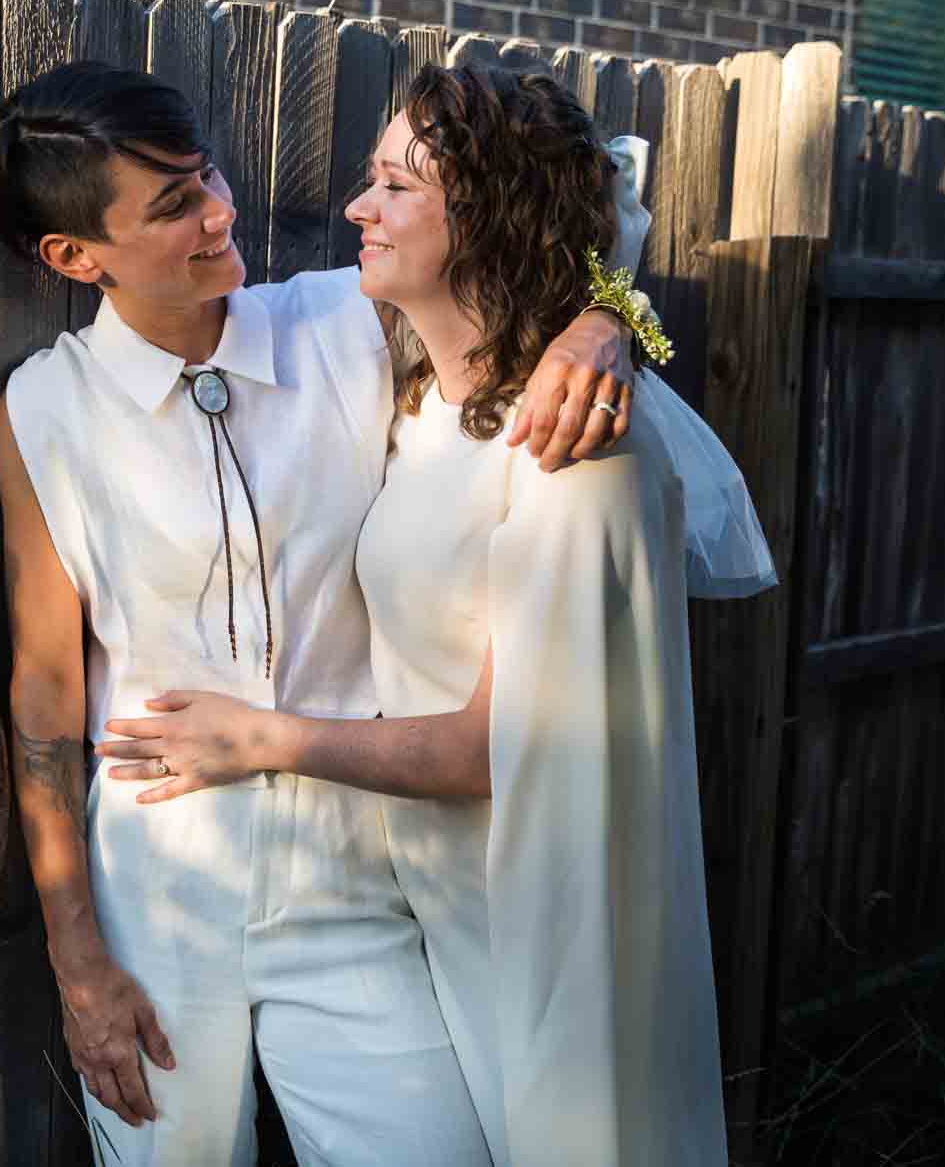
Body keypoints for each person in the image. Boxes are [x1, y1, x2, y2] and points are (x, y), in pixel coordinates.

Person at [97, 63, 776, 1165]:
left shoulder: (575, 452)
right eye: (371, 178)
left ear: (491, 216)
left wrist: (258, 738)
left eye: (397, 185)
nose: (359, 208)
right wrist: (602, 313)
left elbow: (502, 748)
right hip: (434, 899)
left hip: (543, 910)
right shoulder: (423, 397)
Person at [0, 60, 643, 1165]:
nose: (217, 213)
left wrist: (602, 320)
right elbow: (45, 690)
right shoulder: (43, 407)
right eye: (171, 206)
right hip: (158, 895)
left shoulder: (344, 322)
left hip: (357, 874)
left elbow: (540, 242)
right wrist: (77, 959)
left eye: (206, 178)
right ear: (71, 255)